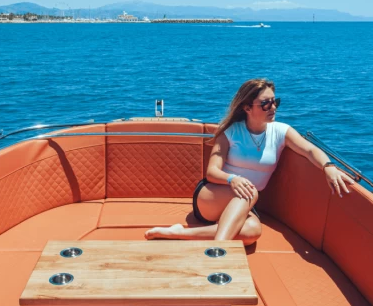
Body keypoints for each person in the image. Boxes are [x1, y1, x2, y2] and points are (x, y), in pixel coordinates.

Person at [145, 78, 356, 245]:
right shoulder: (230, 132)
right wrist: (233, 180)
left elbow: (309, 149)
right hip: (212, 196)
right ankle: (218, 249)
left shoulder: (281, 132)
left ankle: (179, 234)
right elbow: (212, 172)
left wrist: (328, 167)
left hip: (243, 201)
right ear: (247, 107)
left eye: (275, 101)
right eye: (265, 103)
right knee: (251, 190)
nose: (273, 107)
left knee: (252, 232)